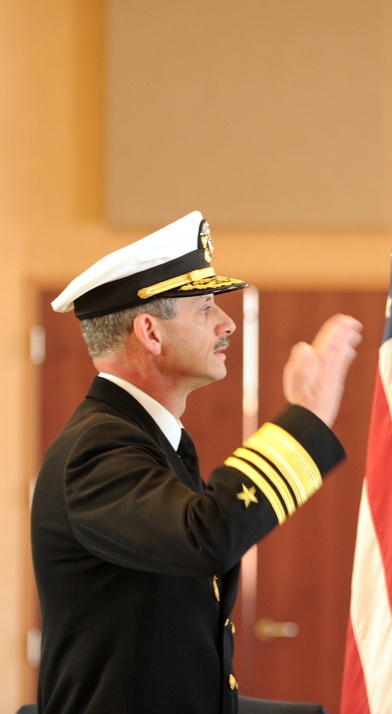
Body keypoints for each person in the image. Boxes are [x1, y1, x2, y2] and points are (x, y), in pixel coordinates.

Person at [30, 211, 363, 713]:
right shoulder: (97, 449)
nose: (227, 323)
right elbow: (205, 536)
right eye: (206, 307)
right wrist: (307, 419)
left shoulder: (144, 439)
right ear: (150, 331)